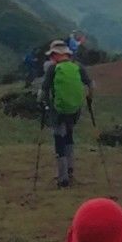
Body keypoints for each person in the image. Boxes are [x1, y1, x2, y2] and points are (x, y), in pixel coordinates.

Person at [41, 40, 92, 188]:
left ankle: (62, 178)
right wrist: (89, 99)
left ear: (56, 55)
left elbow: (44, 90)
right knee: (69, 136)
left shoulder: (53, 69)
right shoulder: (78, 67)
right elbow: (89, 83)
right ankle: (70, 170)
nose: (51, 58)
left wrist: (44, 104)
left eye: (52, 55)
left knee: (59, 139)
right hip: (74, 110)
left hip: (58, 110)